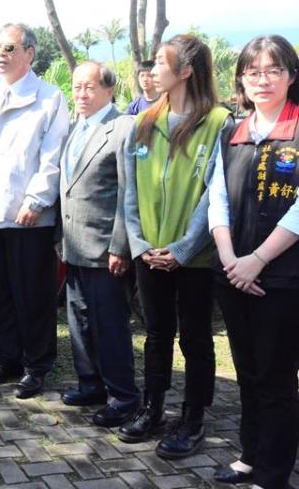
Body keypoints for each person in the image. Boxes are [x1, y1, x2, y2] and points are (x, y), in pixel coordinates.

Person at [119, 34, 232, 458]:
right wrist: (140, 243)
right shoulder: (143, 121)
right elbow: (130, 192)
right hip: (149, 252)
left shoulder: (220, 122)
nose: (153, 71)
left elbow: (214, 195)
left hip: (196, 258)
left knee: (197, 339)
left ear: (185, 71)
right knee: (157, 333)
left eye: (162, 64)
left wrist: (183, 249)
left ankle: (193, 416)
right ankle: (153, 408)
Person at [207, 35, 299, 489]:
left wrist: (257, 260)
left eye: (273, 70)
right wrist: (230, 260)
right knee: (246, 370)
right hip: (234, 273)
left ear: (291, 76)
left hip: (282, 278)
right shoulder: (233, 131)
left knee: (276, 376)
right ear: (241, 78)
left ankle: (273, 472)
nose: (262, 79)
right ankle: (250, 454)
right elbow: (216, 199)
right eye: (253, 71)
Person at [0, 22, 69, 399]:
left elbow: (53, 155)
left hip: (30, 215)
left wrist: (37, 199)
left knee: (33, 293)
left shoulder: (50, 98)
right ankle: (6, 357)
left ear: (30, 53)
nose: (1, 54)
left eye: (10, 48)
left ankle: (37, 363)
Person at [57, 62, 140, 426]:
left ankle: (123, 396)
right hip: (75, 244)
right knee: (80, 321)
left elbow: (129, 193)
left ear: (109, 90)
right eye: (76, 88)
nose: (81, 95)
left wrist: (120, 247)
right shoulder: (76, 128)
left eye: (90, 87)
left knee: (110, 325)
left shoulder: (123, 128)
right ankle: (90, 384)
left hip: (107, 248)